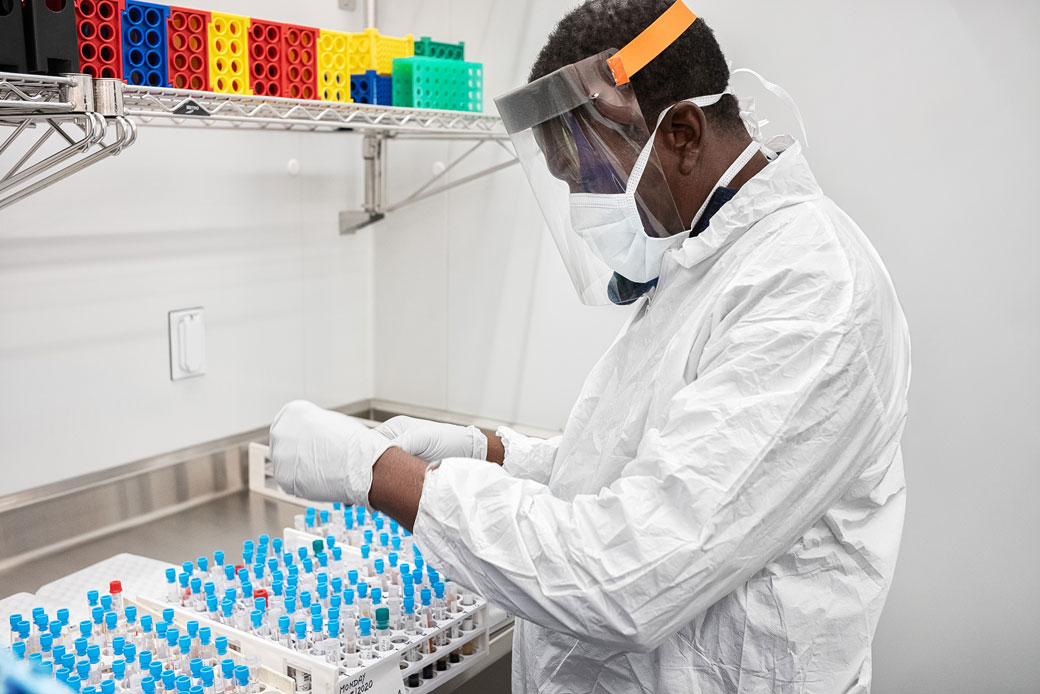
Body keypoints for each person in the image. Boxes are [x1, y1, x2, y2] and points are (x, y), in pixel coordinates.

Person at [269, 1, 911, 692]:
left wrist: (378, 473)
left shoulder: (810, 290)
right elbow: (636, 467)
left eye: (586, 178)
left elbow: (626, 573)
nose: (582, 208)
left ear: (684, 134)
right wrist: (491, 451)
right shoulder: (708, 260)